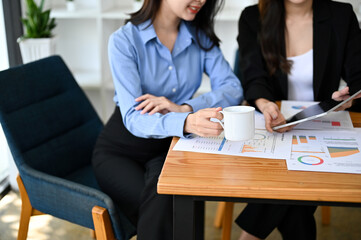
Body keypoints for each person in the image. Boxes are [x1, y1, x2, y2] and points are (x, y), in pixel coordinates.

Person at [91, 0, 243, 239]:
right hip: (122, 149)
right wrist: (185, 122)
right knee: (168, 203)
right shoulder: (124, 40)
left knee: (179, 195)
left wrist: (185, 108)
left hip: (171, 147)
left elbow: (233, 88)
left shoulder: (199, 37)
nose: (201, 1)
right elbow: (132, 117)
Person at [236, 0, 361, 239]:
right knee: (298, 202)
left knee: (295, 187)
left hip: (322, 127)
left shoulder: (341, 15)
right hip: (274, 125)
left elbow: (358, 73)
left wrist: (350, 98)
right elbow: (253, 76)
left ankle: (248, 236)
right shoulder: (253, 17)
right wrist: (264, 103)